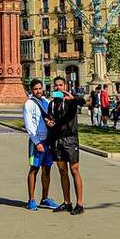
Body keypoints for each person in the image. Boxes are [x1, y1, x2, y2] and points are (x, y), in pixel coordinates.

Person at [44, 76, 86, 214]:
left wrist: (72, 97)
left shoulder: (71, 102)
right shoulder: (52, 104)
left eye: (60, 85)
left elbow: (83, 101)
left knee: (74, 170)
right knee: (62, 171)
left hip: (70, 139)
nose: (58, 88)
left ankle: (79, 204)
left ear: (65, 86)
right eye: (56, 86)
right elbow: (51, 120)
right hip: (57, 140)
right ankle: (67, 202)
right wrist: (49, 124)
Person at [23, 79, 57, 211]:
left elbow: (52, 118)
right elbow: (29, 125)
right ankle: (31, 199)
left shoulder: (47, 102)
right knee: (34, 168)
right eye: (36, 89)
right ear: (32, 90)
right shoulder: (29, 104)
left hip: (48, 140)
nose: (38, 91)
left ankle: (45, 198)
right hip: (37, 141)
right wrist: (37, 142)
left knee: (47, 169)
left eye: (40, 88)